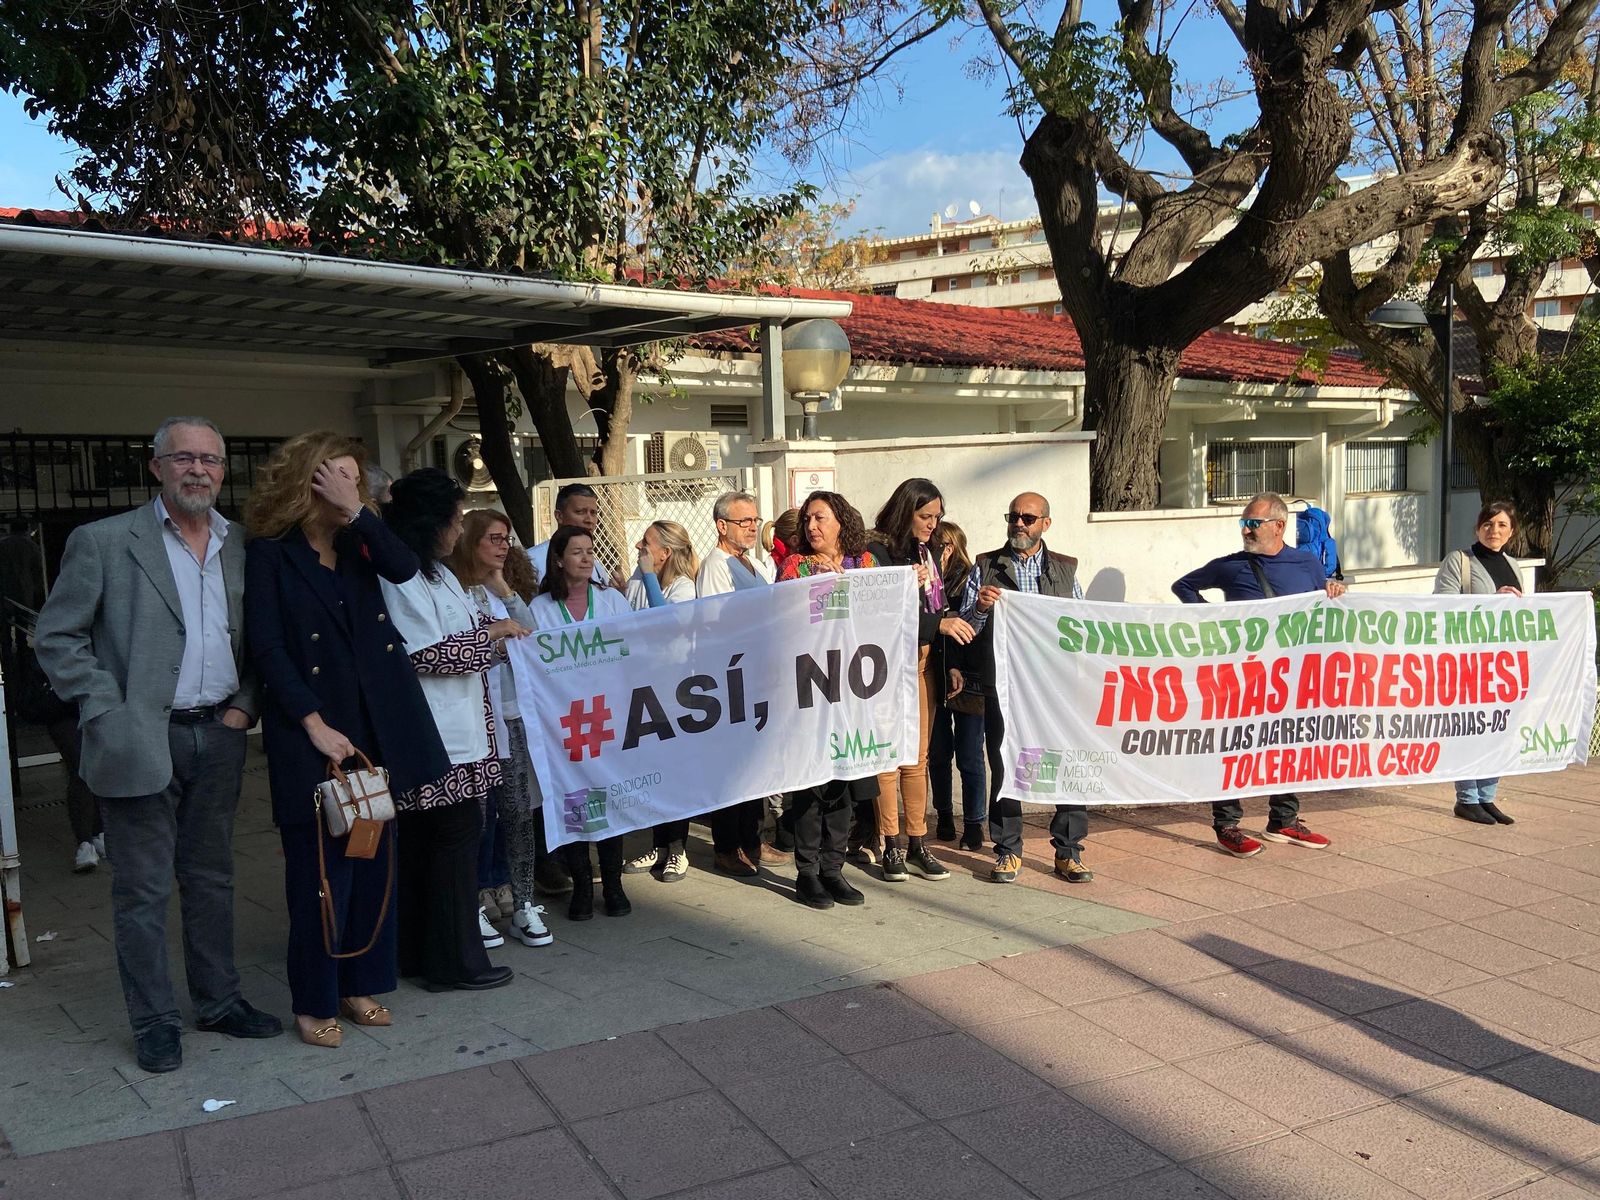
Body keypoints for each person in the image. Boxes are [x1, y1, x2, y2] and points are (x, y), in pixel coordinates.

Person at [34, 416, 280, 1074]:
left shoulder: (242, 546)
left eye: (211, 460)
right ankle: (154, 1021)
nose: (199, 470)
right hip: (140, 738)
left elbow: (261, 639)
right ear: (156, 468)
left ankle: (220, 1003)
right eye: (183, 459)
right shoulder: (105, 542)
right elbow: (56, 636)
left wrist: (245, 709)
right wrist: (105, 706)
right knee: (141, 893)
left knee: (211, 881)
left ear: (223, 471)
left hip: (219, 735)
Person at [244, 433, 452, 1048]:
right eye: (337, 475)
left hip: (373, 729)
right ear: (307, 480)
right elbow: (268, 647)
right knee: (319, 876)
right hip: (310, 731)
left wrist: (360, 512)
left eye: (355, 477)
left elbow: (408, 567)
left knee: (371, 859)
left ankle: (362, 982)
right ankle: (313, 999)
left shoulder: (363, 541)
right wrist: (312, 723)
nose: (348, 485)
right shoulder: (271, 555)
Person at [381, 468, 524, 991]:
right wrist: (494, 638)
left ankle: (423, 954)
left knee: (441, 848)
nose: (459, 528)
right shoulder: (401, 578)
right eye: (455, 518)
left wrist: (492, 632)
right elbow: (419, 653)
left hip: (466, 733)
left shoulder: (440, 574)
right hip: (436, 739)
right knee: (449, 849)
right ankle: (456, 962)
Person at [1173, 491, 1344, 857]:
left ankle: (1283, 820)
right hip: (1242, 674)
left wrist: (1334, 590)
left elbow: (1322, 608)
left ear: (1279, 526)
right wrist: (1212, 619)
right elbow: (1183, 586)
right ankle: (1227, 825)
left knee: (1289, 744)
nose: (1246, 530)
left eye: (1253, 523)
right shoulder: (1230, 565)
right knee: (1233, 746)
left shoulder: (1307, 564)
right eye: (1244, 523)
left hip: (1292, 675)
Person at [958, 492, 1094, 885]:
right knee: (1004, 766)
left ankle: (1068, 852)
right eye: (1013, 516)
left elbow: (1082, 625)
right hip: (1006, 685)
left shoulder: (1066, 571)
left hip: (1056, 686)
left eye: (1029, 518)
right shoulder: (984, 568)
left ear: (1045, 524)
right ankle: (1007, 851)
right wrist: (980, 608)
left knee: (1066, 764)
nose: (1019, 523)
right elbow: (967, 629)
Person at [448, 508, 559, 946]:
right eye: (493, 538)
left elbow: (534, 641)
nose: (503, 545)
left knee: (517, 811)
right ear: (471, 541)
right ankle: (474, 902)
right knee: (478, 816)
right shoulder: (453, 589)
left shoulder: (501, 591)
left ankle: (524, 902)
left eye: (507, 538)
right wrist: (495, 637)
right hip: (473, 717)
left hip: (511, 714)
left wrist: (506, 593)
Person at [866, 479, 975, 883]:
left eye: (937, 517)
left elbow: (937, 603)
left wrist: (949, 662)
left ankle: (917, 841)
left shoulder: (926, 551)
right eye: (926, 516)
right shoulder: (876, 551)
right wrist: (936, 622)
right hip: (890, 666)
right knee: (888, 758)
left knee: (919, 757)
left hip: (926, 661)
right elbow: (880, 614)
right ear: (905, 511)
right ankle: (889, 842)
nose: (933, 524)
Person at [528, 525, 635, 919]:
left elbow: (634, 650)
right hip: (564, 724)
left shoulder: (612, 603)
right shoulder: (539, 610)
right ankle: (581, 885)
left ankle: (614, 885)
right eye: (577, 552)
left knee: (610, 797)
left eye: (591, 551)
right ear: (558, 560)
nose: (588, 558)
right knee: (574, 801)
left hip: (607, 718)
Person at [777, 491, 876, 910]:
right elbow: (781, 619)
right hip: (810, 691)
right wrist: (815, 584)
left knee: (844, 782)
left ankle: (834, 870)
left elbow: (878, 618)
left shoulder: (866, 563)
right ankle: (807, 872)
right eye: (807, 521)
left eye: (820, 518)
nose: (812, 527)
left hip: (853, 690)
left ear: (841, 522)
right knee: (811, 783)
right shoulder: (795, 566)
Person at [696, 491, 789, 873]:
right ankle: (727, 846)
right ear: (722, 526)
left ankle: (753, 839)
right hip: (731, 678)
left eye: (754, 520)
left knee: (754, 765)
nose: (752, 527)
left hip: (758, 675)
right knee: (731, 766)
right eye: (743, 521)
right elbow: (718, 622)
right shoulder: (716, 565)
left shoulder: (753, 564)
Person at [1434, 500, 1524, 826]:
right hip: (1466, 661)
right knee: (1468, 728)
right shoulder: (1459, 561)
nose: (1494, 531)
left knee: (1496, 728)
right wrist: (1490, 603)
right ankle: (1467, 798)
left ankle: (1487, 796)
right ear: (1477, 528)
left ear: (1511, 532)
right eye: (1488, 524)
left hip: (1500, 663)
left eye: (1501, 525)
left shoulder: (1513, 565)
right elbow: (1442, 608)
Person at [622, 520, 702, 881]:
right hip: (642, 687)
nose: (640, 545)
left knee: (675, 771)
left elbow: (666, 624)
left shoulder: (683, 587)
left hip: (675, 690)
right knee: (650, 771)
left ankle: (678, 849)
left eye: (648, 542)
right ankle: (657, 843)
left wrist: (649, 577)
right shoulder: (637, 580)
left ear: (664, 553)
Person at [928, 521, 986, 850]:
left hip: (970, 677)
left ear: (951, 547)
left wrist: (958, 666)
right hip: (935, 673)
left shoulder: (969, 579)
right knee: (938, 753)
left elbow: (973, 628)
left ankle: (975, 823)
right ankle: (945, 814)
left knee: (969, 755)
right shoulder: (926, 579)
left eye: (941, 545)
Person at [526, 483, 610, 586]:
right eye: (580, 512)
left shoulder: (596, 567)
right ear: (559, 516)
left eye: (593, 513)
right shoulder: (531, 561)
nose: (589, 520)